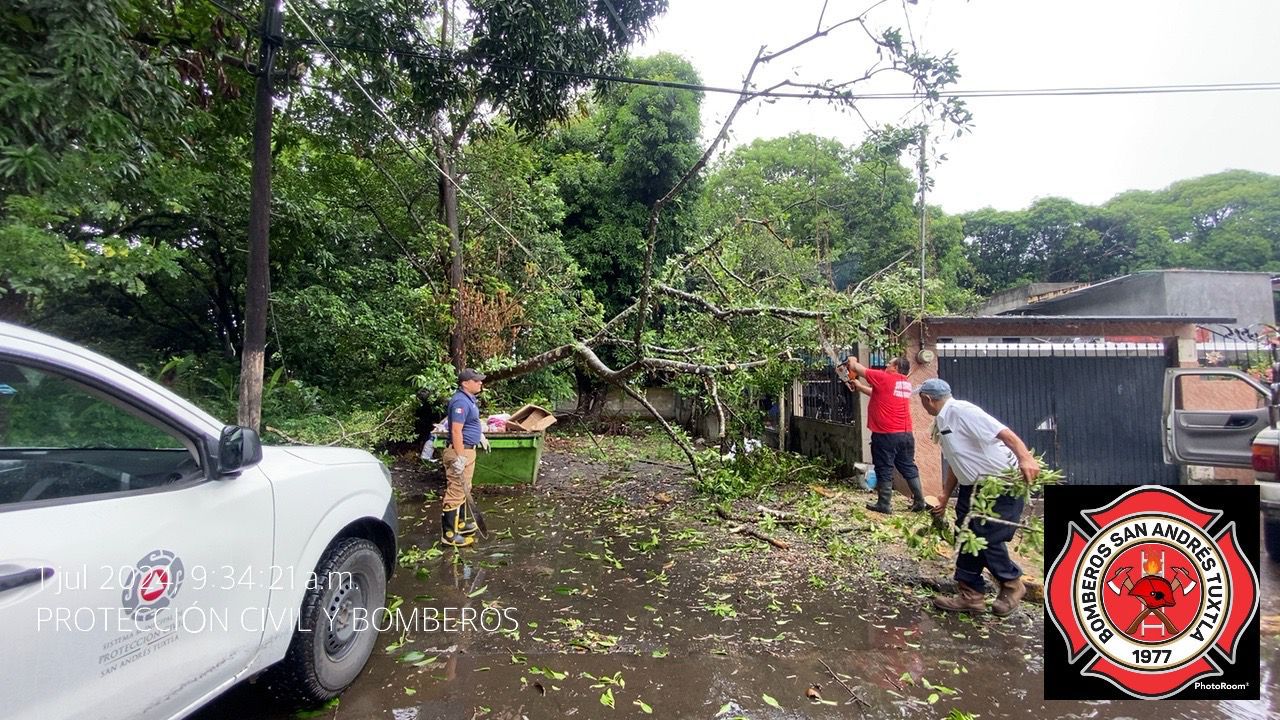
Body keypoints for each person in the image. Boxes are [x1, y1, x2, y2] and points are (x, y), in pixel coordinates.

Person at [915, 378, 1040, 617]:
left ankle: (1012, 583)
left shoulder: (962, 411)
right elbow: (956, 460)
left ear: (927, 399)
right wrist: (944, 495)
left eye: (921, 400)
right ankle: (971, 595)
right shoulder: (941, 421)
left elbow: (1003, 432)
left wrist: (1025, 457)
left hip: (999, 484)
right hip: (971, 487)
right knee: (965, 536)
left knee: (986, 535)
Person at [843, 355, 928, 514]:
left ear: (895, 368)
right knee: (908, 465)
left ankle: (884, 503)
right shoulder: (904, 384)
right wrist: (861, 387)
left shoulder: (884, 377)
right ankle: (919, 500)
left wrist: (851, 360)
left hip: (885, 434)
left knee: (884, 467)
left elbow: (856, 368)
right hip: (905, 434)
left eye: (889, 364)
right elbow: (880, 393)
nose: (885, 366)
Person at [441, 368, 489, 547]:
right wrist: (460, 457)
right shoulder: (460, 401)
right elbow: (455, 430)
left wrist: (480, 436)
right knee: (456, 491)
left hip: (468, 450)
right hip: (460, 451)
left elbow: (470, 423)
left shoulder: (470, 399)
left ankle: (459, 524)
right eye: (476, 381)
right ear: (465, 383)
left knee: (464, 488)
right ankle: (449, 534)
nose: (480, 383)